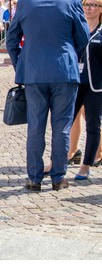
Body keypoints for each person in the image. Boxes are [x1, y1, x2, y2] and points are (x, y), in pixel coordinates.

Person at [6, 0, 89, 191]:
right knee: (62, 127)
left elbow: (11, 39)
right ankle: (58, 178)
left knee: (35, 126)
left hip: (34, 72)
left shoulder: (25, 3)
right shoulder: (71, 2)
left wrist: (21, 63)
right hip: (64, 70)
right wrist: (68, 54)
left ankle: (34, 178)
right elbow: (83, 37)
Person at [71, 0, 102, 179]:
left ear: (100, 10)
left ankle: (86, 165)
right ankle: (57, 160)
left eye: (94, 5)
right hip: (75, 82)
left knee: (93, 124)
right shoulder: (77, 29)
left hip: (95, 86)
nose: (89, 8)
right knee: (65, 122)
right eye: (86, 4)